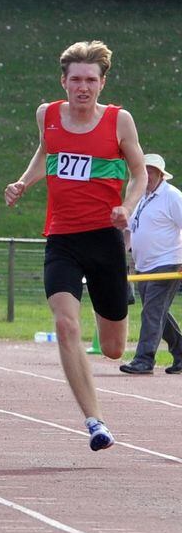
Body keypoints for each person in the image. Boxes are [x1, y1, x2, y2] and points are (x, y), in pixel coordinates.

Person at [5, 40, 146, 450]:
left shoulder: (120, 122)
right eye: (75, 80)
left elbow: (138, 173)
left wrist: (127, 207)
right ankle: (94, 421)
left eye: (90, 80)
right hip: (62, 238)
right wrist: (24, 182)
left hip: (104, 240)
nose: (82, 87)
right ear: (63, 81)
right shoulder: (47, 115)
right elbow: (46, 151)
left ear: (101, 83)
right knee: (66, 325)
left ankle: (118, 311)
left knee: (115, 349)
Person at [119, 153, 182, 375]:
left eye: (150, 172)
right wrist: (120, 255)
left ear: (160, 175)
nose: (146, 176)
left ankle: (144, 359)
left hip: (167, 264)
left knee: (152, 312)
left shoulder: (172, 196)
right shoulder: (141, 198)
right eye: (142, 172)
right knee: (156, 313)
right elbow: (130, 231)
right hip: (144, 266)